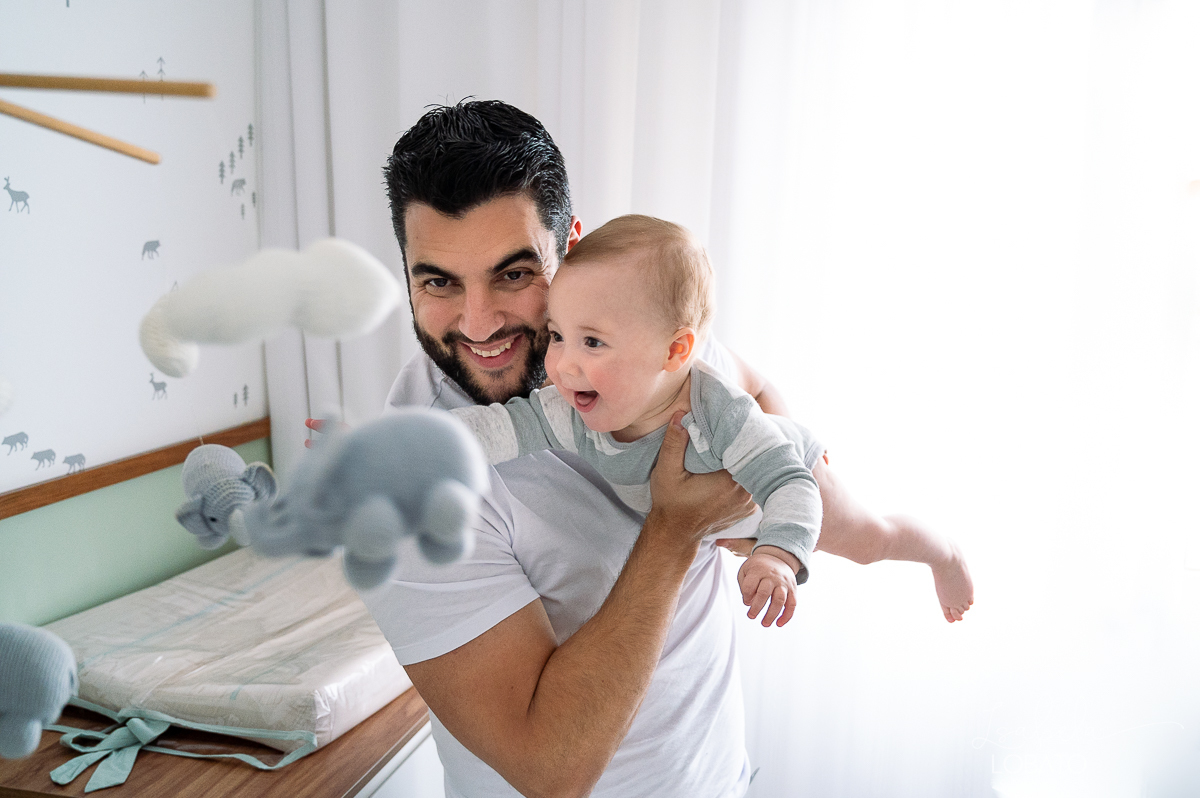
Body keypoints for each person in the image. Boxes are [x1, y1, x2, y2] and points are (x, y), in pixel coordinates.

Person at [321, 99, 971, 797]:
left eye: (514, 274)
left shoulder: (636, 326)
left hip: (719, 776)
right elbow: (551, 769)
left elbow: (747, 382)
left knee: (863, 530)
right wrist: (680, 525)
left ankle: (938, 549)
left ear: (569, 247)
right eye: (439, 281)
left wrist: (770, 493)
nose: (480, 324)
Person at [445, 214, 826, 627]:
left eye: (592, 342)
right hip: (726, 523)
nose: (562, 365)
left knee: (872, 538)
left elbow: (789, 483)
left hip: (798, 473)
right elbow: (505, 428)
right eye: (557, 336)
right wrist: (424, 445)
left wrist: (777, 553)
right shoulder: (570, 407)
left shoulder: (720, 414)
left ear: (674, 352)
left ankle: (905, 539)